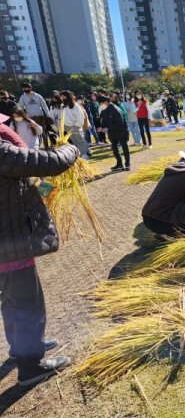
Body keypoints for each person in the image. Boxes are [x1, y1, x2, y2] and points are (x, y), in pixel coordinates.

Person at [0, 112, 79, 386]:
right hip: (8, 245)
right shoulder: (2, 154)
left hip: (5, 243)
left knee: (11, 299)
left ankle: (21, 348)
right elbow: (50, 162)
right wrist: (71, 148)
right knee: (26, 302)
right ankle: (31, 366)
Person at [142, 148, 185, 239]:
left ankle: (167, 233)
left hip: (148, 218)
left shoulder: (177, 170)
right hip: (160, 223)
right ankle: (181, 235)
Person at [97, 95, 130, 171]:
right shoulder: (104, 110)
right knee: (115, 149)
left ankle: (127, 164)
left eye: (101, 103)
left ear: (106, 102)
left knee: (125, 148)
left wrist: (108, 128)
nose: (100, 106)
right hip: (112, 133)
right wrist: (101, 127)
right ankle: (119, 164)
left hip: (122, 131)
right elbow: (104, 121)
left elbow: (120, 123)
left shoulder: (116, 109)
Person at [58, 91, 89, 160]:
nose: (61, 98)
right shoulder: (63, 106)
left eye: (62, 96)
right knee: (74, 141)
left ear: (66, 96)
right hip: (67, 127)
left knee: (80, 140)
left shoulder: (75, 105)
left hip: (75, 126)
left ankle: (85, 154)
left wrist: (77, 126)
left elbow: (80, 116)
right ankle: (79, 154)